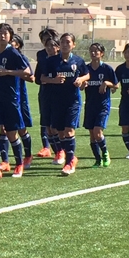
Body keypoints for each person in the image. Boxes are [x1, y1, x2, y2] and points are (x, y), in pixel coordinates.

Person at [0, 24, 34, 179]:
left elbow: (27, 72)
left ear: (10, 36)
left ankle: (19, 164)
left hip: (10, 98)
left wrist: (8, 72)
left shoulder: (13, 52)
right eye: (0, 33)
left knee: (11, 133)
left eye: (5, 33)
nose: (2, 35)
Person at [41, 33, 89, 176]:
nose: (64, 44)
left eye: (68, 42)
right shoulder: (52, 61)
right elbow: (42, 78)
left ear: (73, 45)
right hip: (56, 101)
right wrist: (53, 80)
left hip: (73, 101)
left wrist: (81, 79)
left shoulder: (78, 61)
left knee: (69, 131)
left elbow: (87, 75)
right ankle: (71, 157)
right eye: (62, 42)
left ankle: (69, 163)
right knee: (60, 132)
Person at [81, 43, 118, 168]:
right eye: (91, 51)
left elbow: (116, 85)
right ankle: (97, 160)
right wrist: (82, 85)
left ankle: (105, 153)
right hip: (90, 105)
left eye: (96, 51)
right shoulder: (86, 69)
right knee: (92, 135)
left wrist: (107, 83)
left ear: (101, 53)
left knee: (97, 131)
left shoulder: (107, 69)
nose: (93, 53)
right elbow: (80, 86)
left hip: (103, 105)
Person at [37, 38, 64, 166]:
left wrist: (50, 80)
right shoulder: (43, 61)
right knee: (48, 128)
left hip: (59, 97)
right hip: (45, 95)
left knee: (56, 127)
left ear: (58, 47)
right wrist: (51, 80)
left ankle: (63, 151)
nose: (50, 48)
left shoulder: (62, 61)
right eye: (47, 46)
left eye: (52, 46)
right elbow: (39, 78)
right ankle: (57, 151)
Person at [35, 28, 60, 159]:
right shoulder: (41, 54)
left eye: (48, 38)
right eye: (44, 40)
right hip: (45, 91)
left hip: (59, 93)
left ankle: (63, 150)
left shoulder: (61, 54)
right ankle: (47, 147)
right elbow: (38, 77)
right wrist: (45, 79)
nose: (46, 42)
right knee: (45, 119)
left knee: (57, 123)